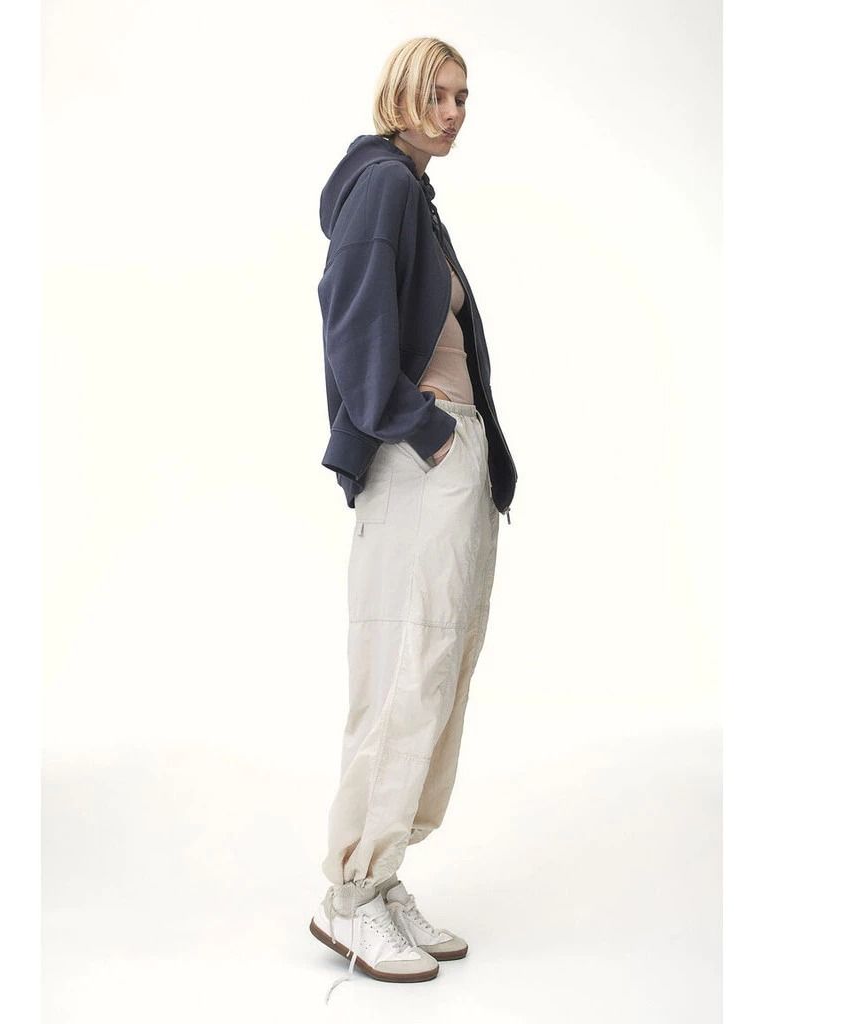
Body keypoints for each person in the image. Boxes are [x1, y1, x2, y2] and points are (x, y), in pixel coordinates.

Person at [309, 37, 518, 1002]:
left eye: (463, 97)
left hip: (452, 460)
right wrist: (421, 429)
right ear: (399, 94)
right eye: (437, 94)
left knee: (438, 672)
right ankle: (351, 893)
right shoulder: (383, 187)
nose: (453, 112)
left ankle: (384, 872)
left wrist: (468, 449)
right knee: (403, 672)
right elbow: (351, 324)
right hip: (419, 460)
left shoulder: (416, 198)